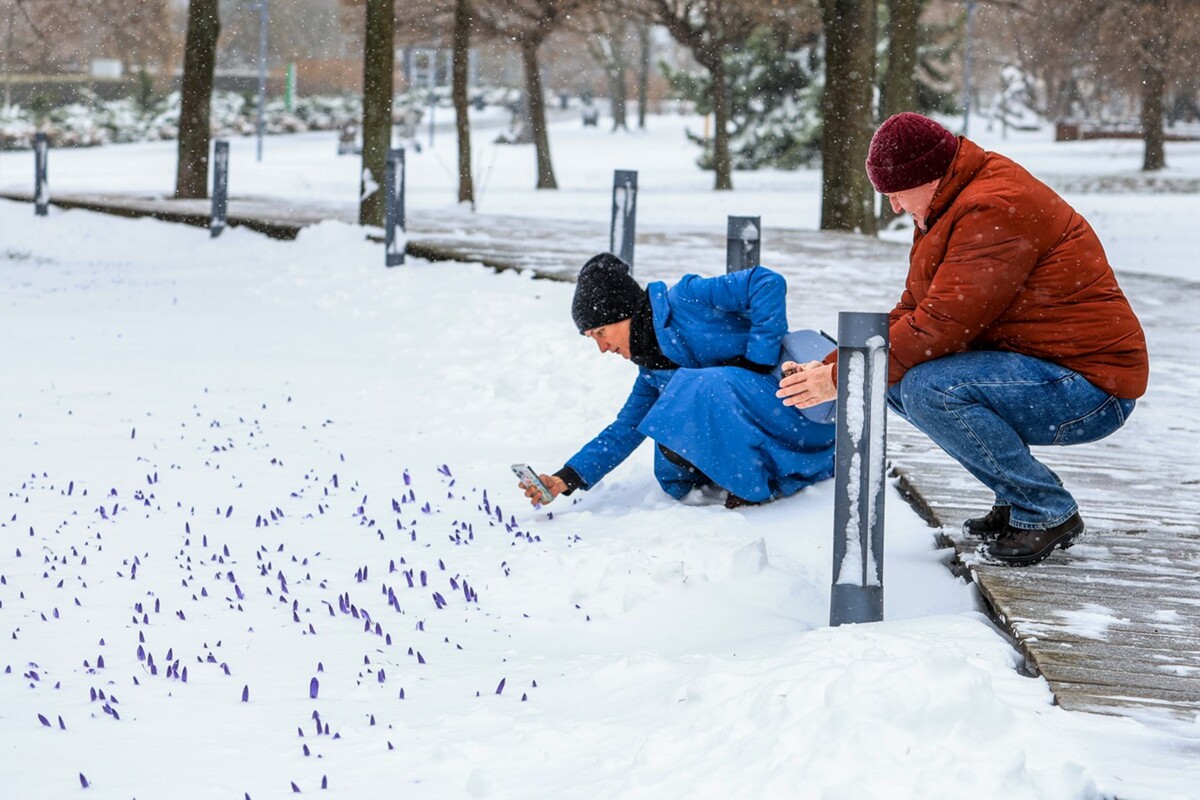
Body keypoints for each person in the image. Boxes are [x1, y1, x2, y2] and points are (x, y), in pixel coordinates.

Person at [777, 112, 1148, 567]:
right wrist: (836, 364)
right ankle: (1016, 499)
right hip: (1040, 367)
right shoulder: (948, 205)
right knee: (890, 379)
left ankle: (1047, 511)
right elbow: (914, 310)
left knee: (927, 387)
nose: (893, 206)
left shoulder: (992, 206)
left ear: (926, 177)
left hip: (1092, 386)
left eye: (894, 193)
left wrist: (844, 376)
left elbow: (940, 329)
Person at [519, 253, 836, 510]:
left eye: (601, 332)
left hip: (794, 404)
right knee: (665, 423)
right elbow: (625, 429)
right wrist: (566, 477)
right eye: (593, 339)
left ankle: (754, 487)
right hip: (758, 427)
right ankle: (739, 479)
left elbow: (766, 282)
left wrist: (757, 359)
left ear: (625, 313)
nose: (602, 347)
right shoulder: (652, 372)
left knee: (695, 388)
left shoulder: (687, 298)